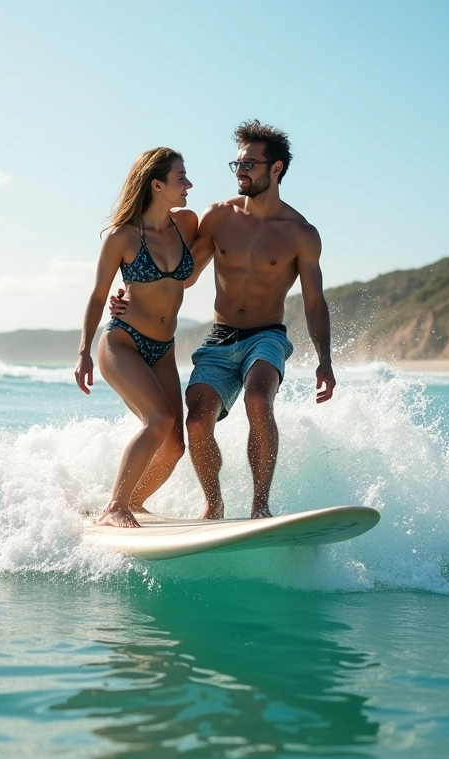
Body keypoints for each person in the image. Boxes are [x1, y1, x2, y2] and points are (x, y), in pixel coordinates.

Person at [112, 120, 336, 520]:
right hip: (219, 338)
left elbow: (315, 302)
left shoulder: (301, 233)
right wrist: (131, 290)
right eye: (236, 165)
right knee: (197, 422)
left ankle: (260, 506)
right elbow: (182, 272)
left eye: (249, 164)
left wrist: (325, 360)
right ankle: (213, 505)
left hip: (266, 336)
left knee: (257, 398)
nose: (240, 171)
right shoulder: (218, 217)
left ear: (276, 169)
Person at [74, 148, 198, 528]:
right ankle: (115, 507)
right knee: (158, 420)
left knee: (175, 445)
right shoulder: (122, 237)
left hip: (163, 348)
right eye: (181, 178)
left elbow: (210, 249)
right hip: (122, 341)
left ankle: (132, 502)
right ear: (156, 185)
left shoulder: (187, 223)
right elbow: (98, 295)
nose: (189, 184)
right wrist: (83, 352)